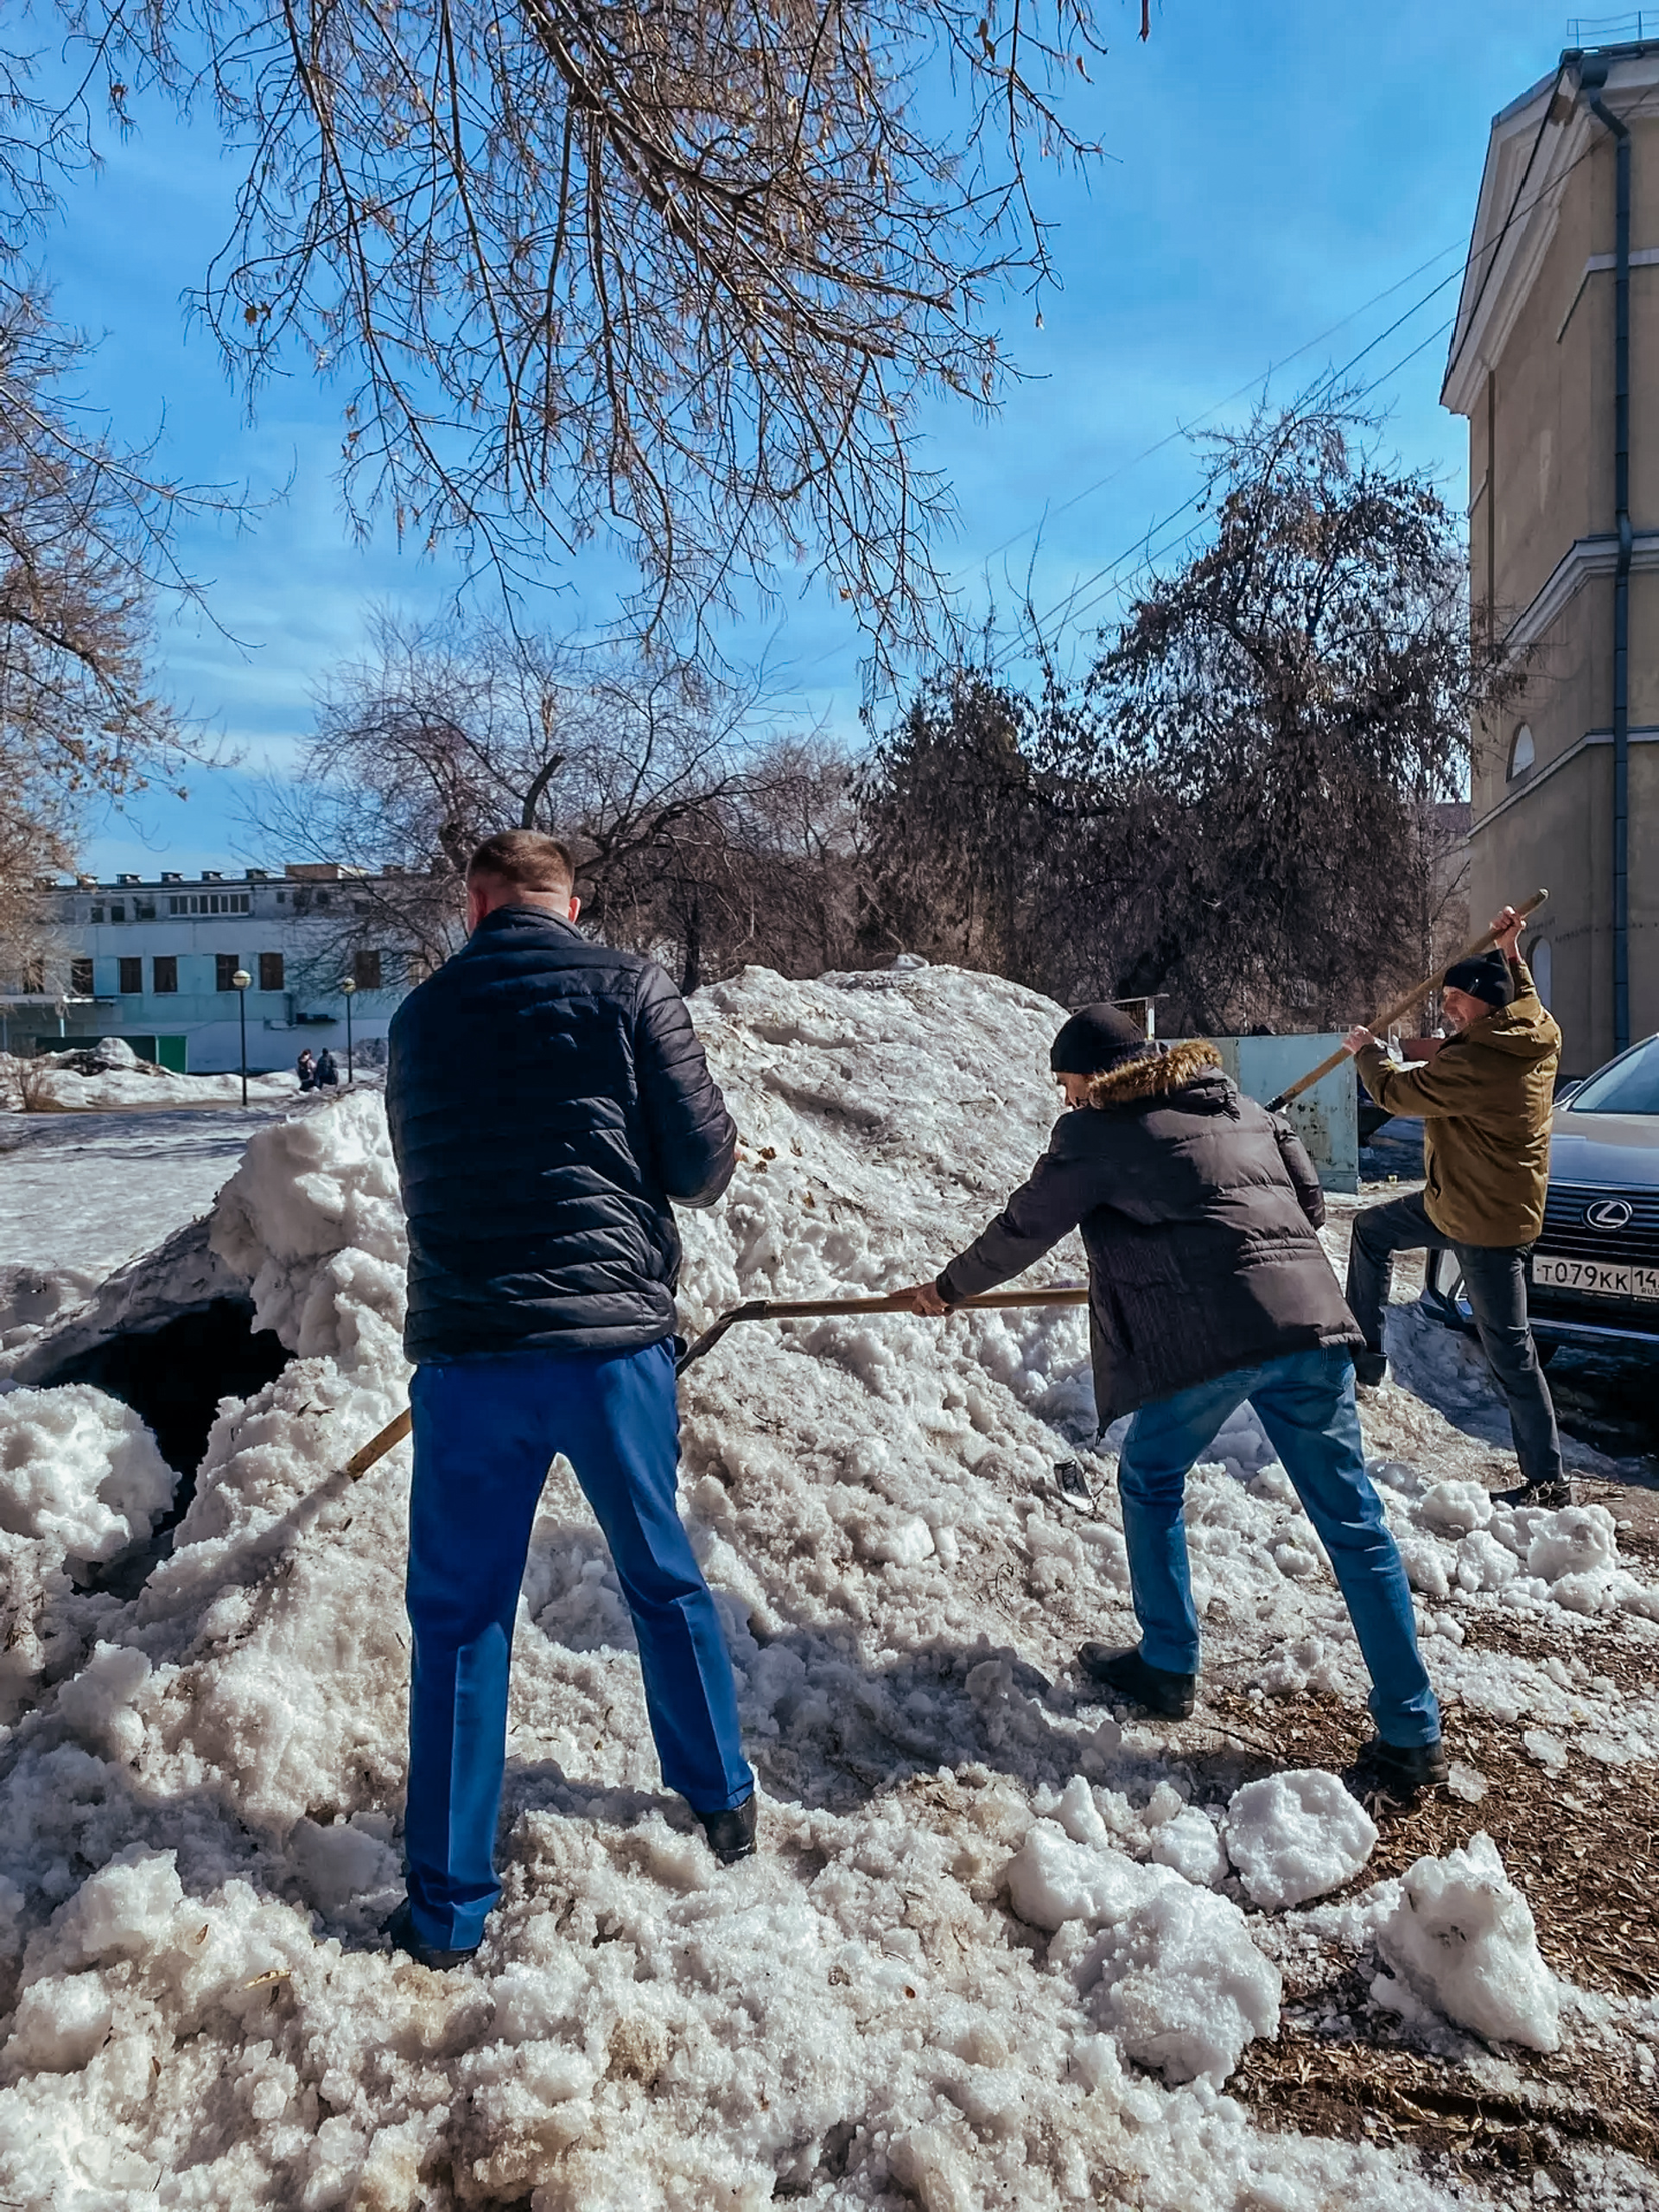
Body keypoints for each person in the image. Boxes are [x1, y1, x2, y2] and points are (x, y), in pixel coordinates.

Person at [903, 1003, 1444, 1797]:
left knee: (1150, 1477)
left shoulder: (1096, 1132)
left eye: (1066, 1081)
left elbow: (1025, 1227)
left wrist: (947, 1289)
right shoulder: (1246, 1109)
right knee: (1354, 1522)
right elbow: (1309, 1207)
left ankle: (1166, 1663)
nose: (1064, 1097)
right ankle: (1412, 1730)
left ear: (1096, 1076)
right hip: (1314, 1327)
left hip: (1215, 1335)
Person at [383, 828, 753, 1969]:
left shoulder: (420, 1018)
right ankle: (723, 1803)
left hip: (468, 1356)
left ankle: (446, 1908)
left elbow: (421, 1172)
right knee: (661, 1574)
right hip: (607, 1350)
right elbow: (702, 1166)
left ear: (476, 905)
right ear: (570, 906)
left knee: (459, 1620)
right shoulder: (632, 987)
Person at [1341, 906, 1566, 1508]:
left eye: (1454, 1000)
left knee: (1511, 1353)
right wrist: (1512, 952)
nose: (1447, 1011)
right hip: (1463, 1202)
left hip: (1484, 1224)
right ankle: (1364, 1359)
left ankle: (1548, 1483)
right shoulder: (1535, 1032)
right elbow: (1524, 998)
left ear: (1484, 1003)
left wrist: (1367, 1051)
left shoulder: (1478, 1063)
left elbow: (1396, 1093)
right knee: (1370, 1230)